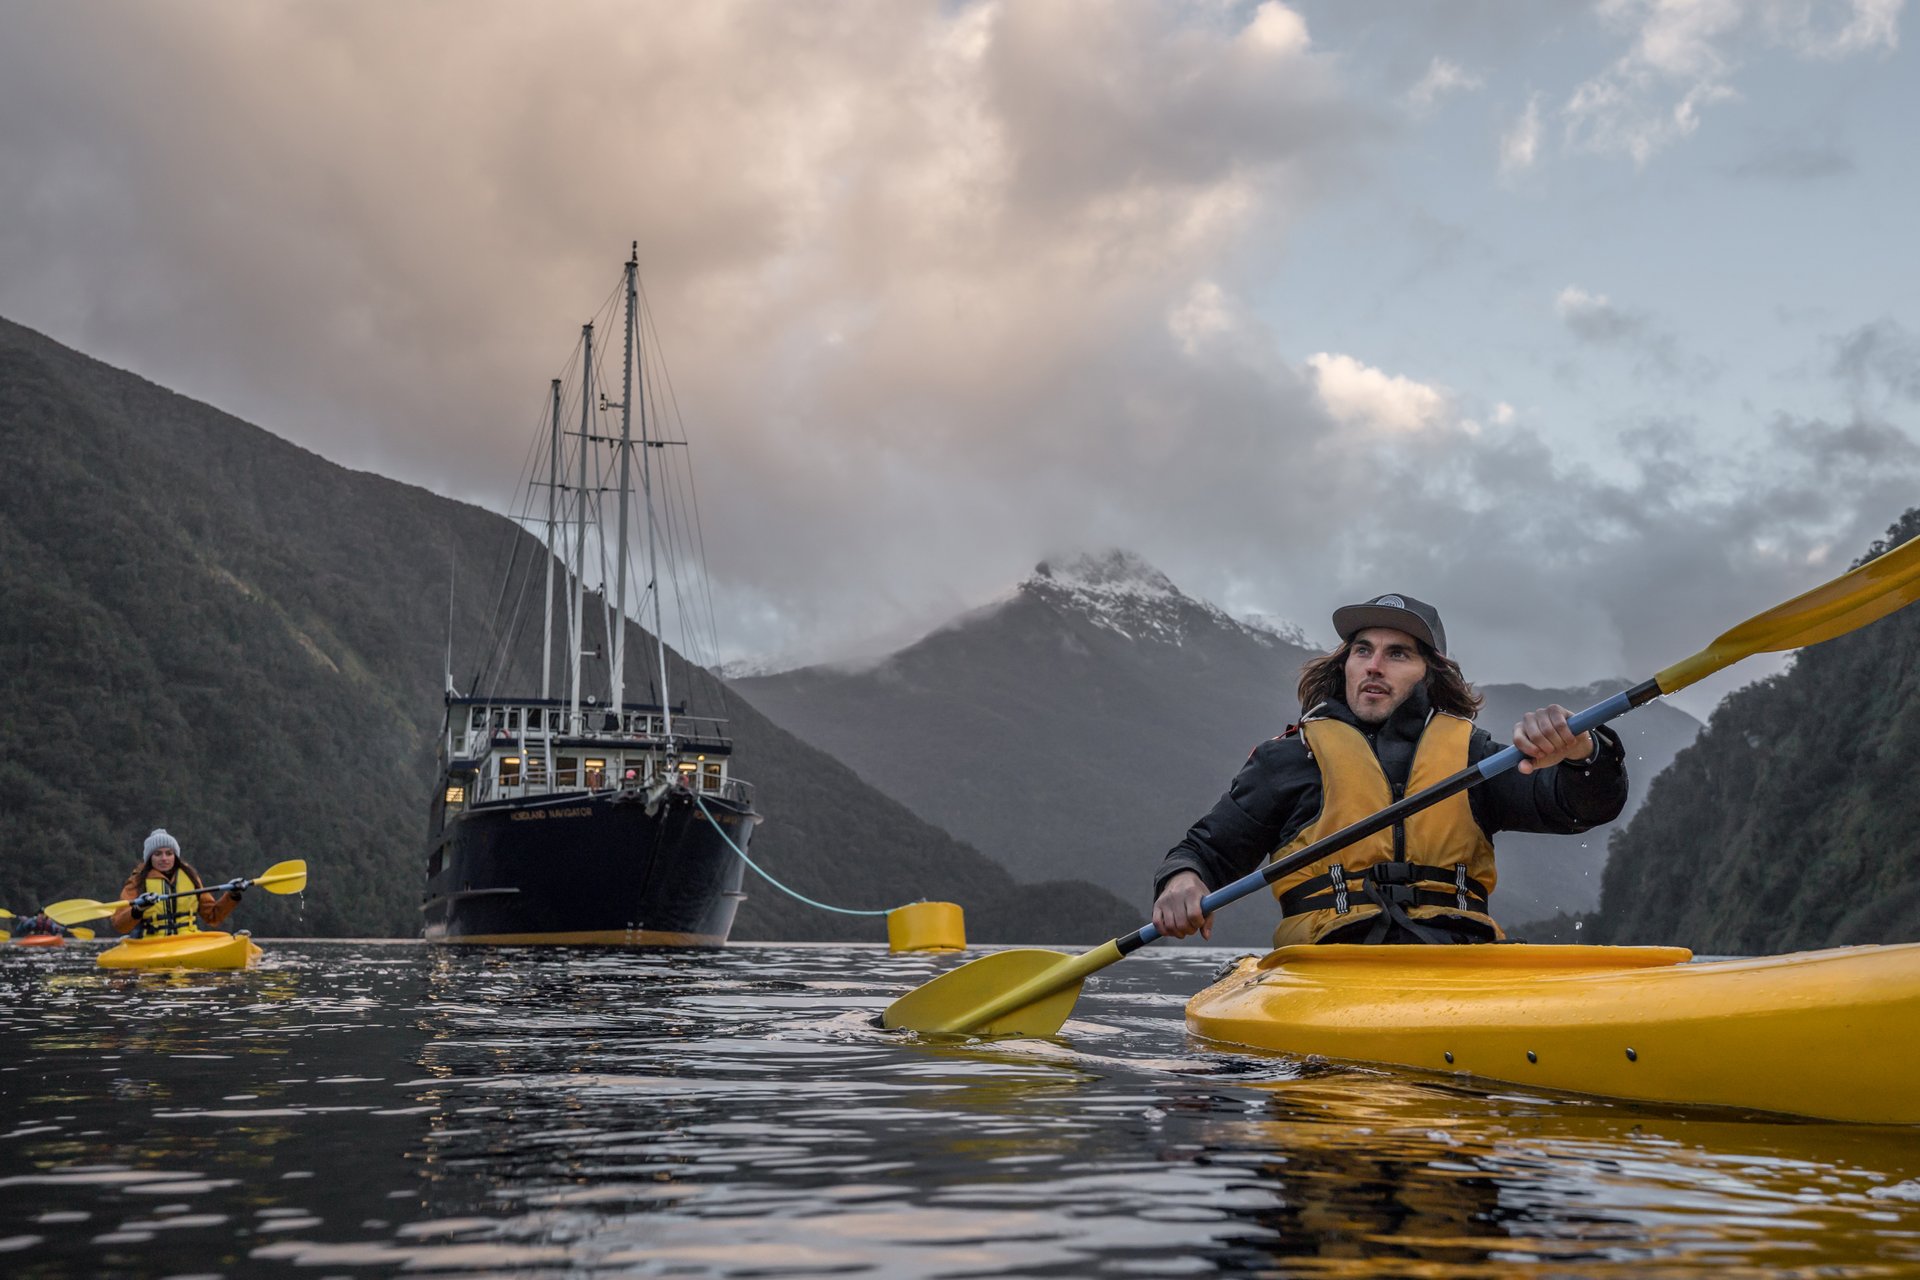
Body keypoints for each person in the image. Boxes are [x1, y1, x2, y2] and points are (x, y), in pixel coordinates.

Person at [1152, 593, 1628, 945]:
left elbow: (1579, 806)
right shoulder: (1289, 759)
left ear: (1430, 672)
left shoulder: (1472, 757)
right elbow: (1206, 852)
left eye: (1397, 653)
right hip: (1328, 963)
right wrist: (1183, 880)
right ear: (1346, 665)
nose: (1374, 665)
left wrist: (1583, 752)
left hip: (1460, 959)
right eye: (1363, 650)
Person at [110, 829, 246, 938]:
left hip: (188, 940)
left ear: (175, 856)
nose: (164, 858)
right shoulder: (138, 881)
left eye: (169, 853)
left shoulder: (190, 877)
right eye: (158, 854)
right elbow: (120, 925)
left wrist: (232, 895)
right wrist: (138, 909)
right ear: (150, 858)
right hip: (150, 944)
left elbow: (213, 916)